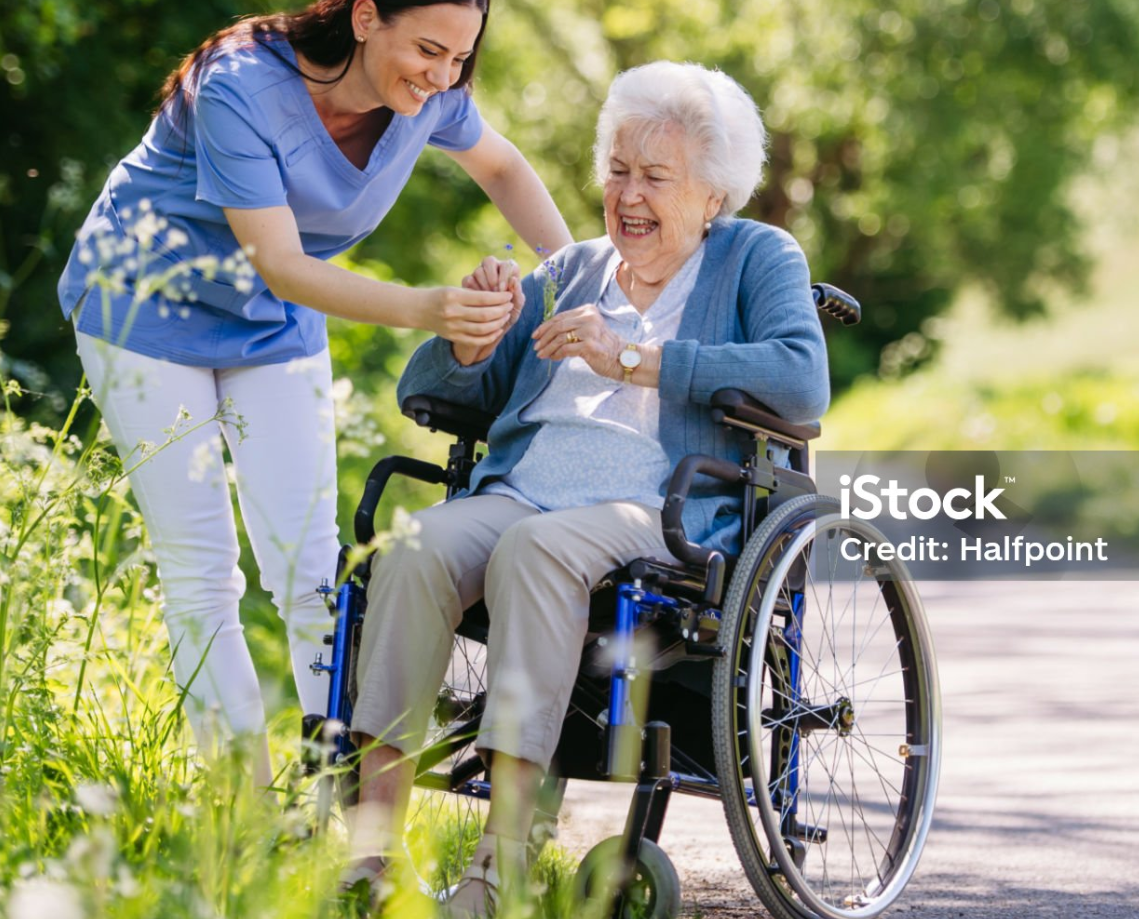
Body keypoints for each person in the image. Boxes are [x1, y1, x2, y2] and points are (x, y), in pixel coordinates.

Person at [55, 0, 572, 789]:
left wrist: (581, 279)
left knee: (308, 565)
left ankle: (340, 792)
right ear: (365, 18)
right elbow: (283, 264)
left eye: (459, 58)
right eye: (428, 50)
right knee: (201, 568)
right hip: (142, 311)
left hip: (270, 327)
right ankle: (244, 807)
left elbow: (505, 169)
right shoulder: (239, 85)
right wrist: (426, 309)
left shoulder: (433, 98)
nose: (442, 76)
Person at [341, 61, 830, 913]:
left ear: (712, 195)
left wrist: (633, 359)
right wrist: (474, 337)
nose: (628, 195)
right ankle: (370, 856)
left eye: (655, 177)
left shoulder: (755, 257)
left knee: (538, 549)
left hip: (659, 507)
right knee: (412, 549)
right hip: (521, 492)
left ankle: (500, 865)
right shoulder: (569, 270)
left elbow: (799, 381)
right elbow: (438, 394)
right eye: (617, 170)